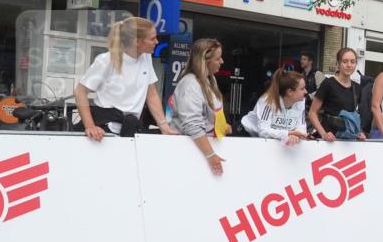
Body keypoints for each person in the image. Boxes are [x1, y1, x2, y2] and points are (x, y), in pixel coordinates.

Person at [74, 17, 176, 141]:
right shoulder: (106, 60)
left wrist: (163, 126)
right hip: (105, 130)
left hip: (131, 128)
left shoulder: (146, 58)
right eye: (152, 38)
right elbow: (80, 91)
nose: (157, 42)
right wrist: (90, 126)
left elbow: (152, 94)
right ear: (137, 42)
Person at [172, 38, 229, 175]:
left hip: (201, 151)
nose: (222, 62)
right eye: (218, 58)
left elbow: (208, 121)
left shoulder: (209, 81)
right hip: (191, 153)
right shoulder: (190, 84)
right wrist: (210, 155)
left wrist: (222, 127)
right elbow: (193, 125)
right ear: (205, 60)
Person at [309, 47, 365, 142]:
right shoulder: (328, 83)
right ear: (338, 63)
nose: (349, 65)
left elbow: (353, 115)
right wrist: (324, 134)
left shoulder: (357, 87)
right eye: (345, 61)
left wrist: (359, 132)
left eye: (352, 62)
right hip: (328, 142)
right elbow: (312, 113)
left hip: (348, 141)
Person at [241, 69, 309, 145]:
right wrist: (288, 134)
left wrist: (295, 135)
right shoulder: (268, 101)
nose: (306, 92)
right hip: (245, 134)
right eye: (302, 89)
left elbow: (302, 128)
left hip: (269, 140)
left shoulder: (300, 101)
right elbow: (263, 131)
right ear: (290, 92)